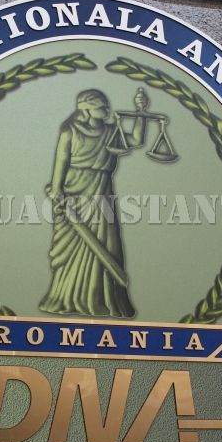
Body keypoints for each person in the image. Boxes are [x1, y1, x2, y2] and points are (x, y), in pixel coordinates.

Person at [39, 89, 139, 318]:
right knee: (72, 245)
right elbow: (61, 162)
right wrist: (56, 191)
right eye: (102, 106)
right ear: (86, 108)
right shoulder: (70, 132)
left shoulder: (111, 132)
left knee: (107, 241)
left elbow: (135, 140)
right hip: (74, 193)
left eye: (107, 106)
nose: (107, 110)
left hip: (102, 192)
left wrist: (140, 116)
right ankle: (66, 297)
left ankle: (106, 300)